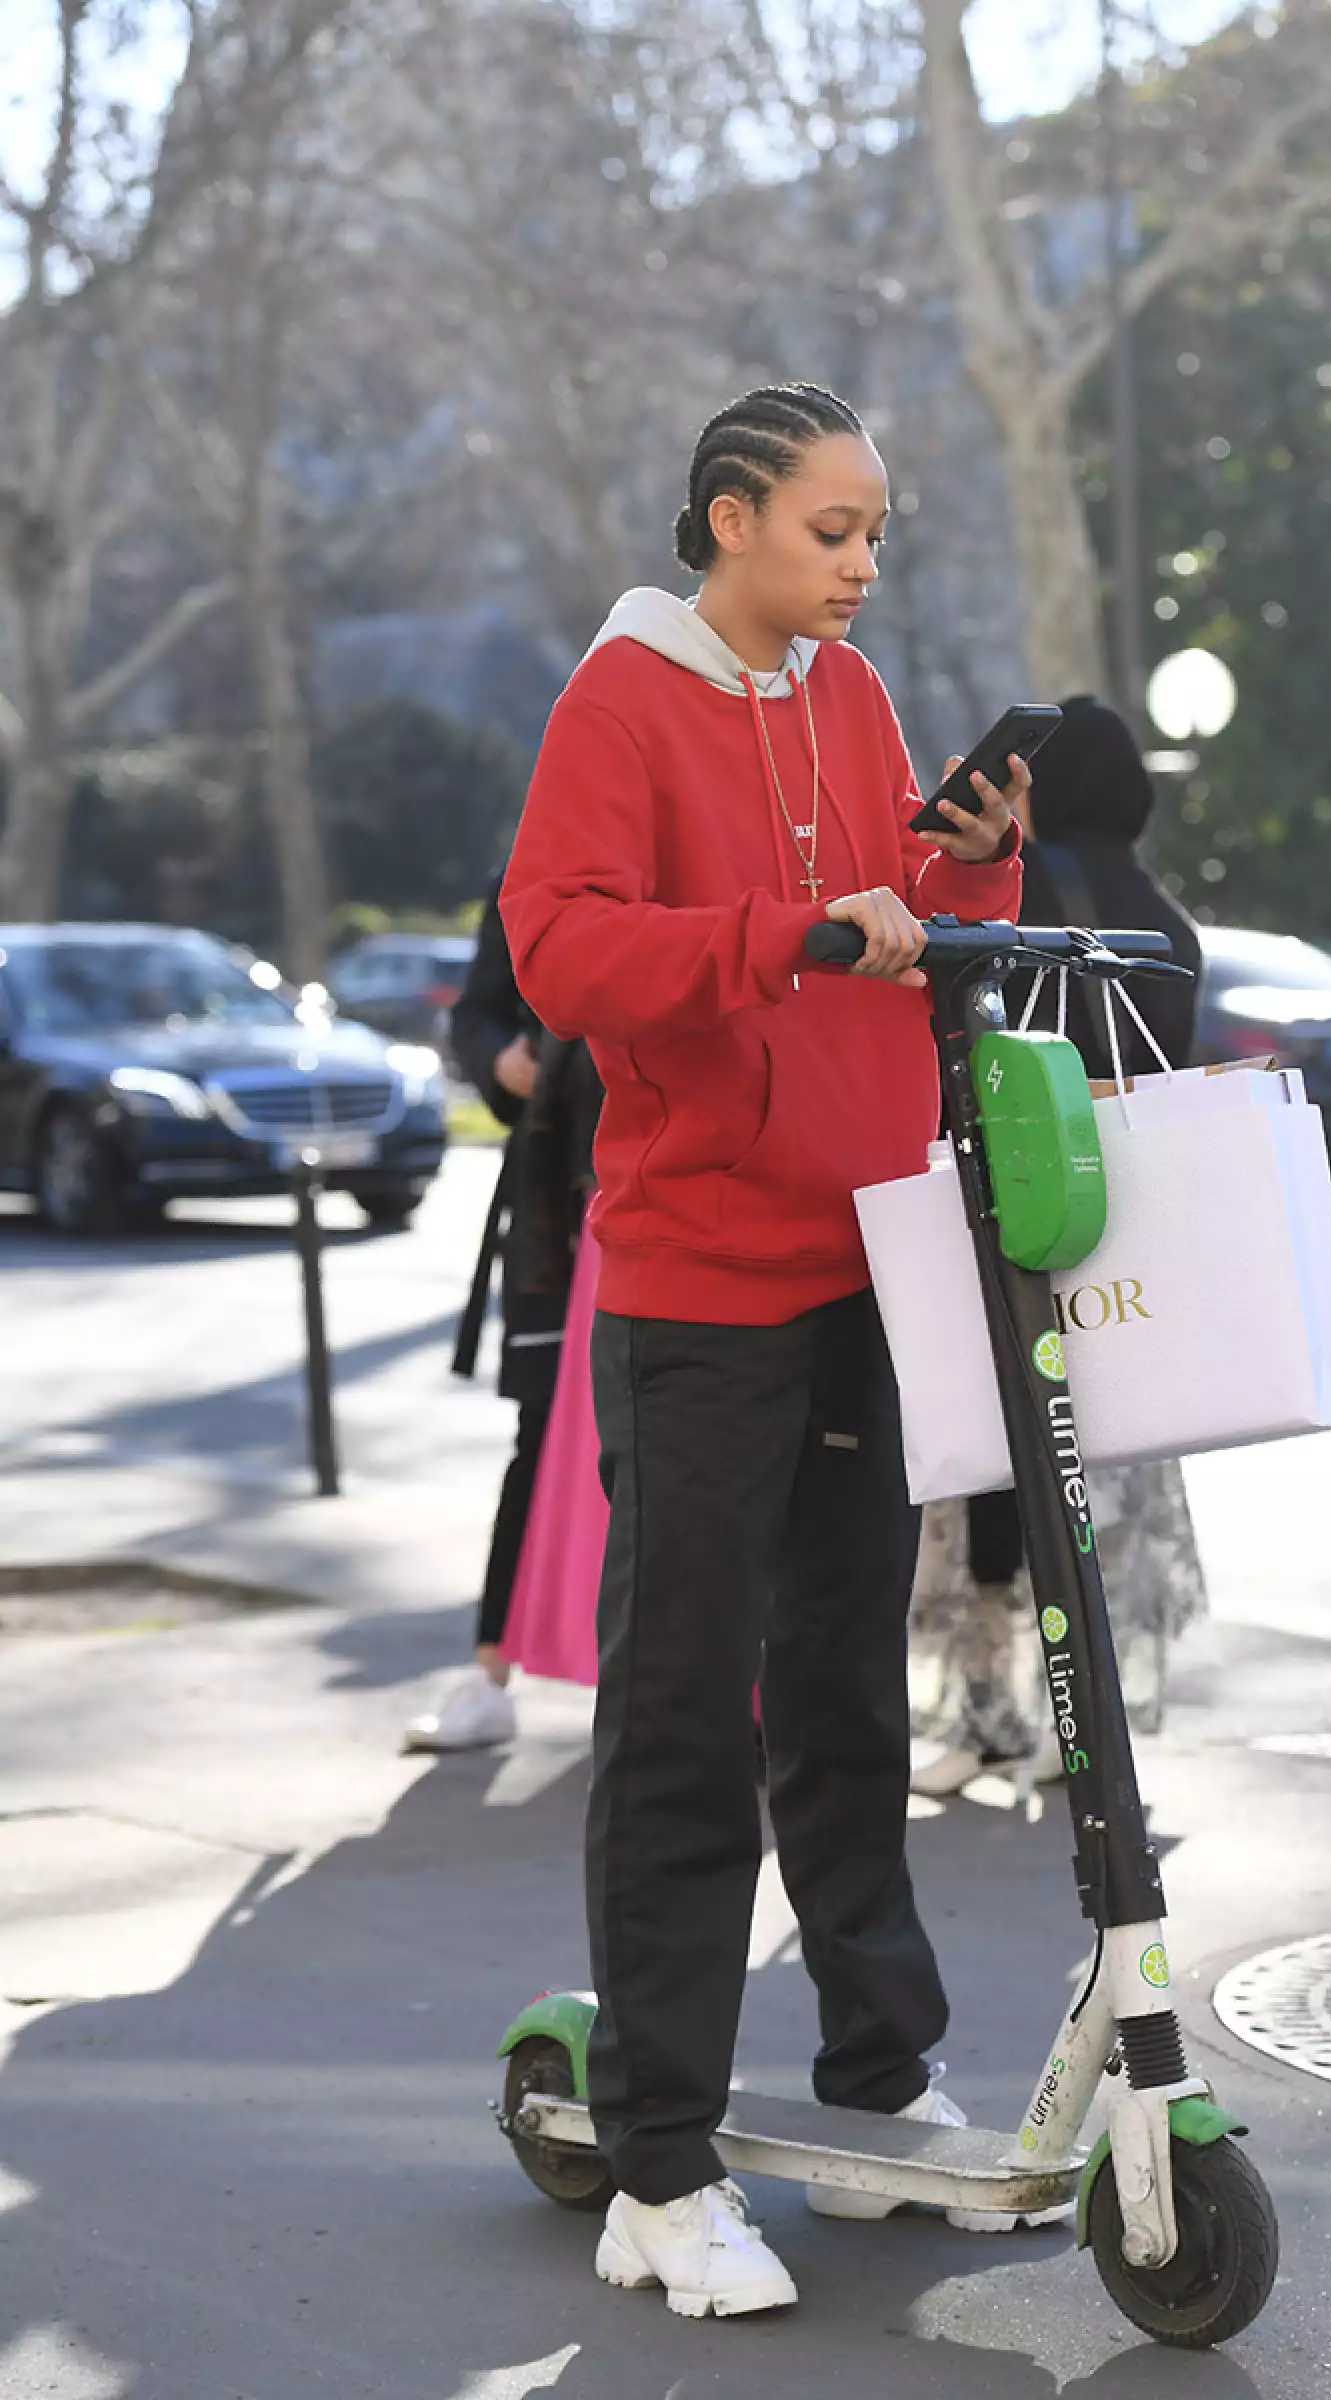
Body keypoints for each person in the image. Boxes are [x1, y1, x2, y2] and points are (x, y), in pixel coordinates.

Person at [499, 383, 1032, 2319]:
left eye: (874, 529)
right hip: (698, 1288)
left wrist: (969, 871)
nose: (861, 561)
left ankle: (879, 2085)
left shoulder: (852, 695)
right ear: (729, 517)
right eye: (831, 528)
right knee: (682, 1725)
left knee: (844, 1698)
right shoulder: (620, 702)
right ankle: (657, 2166)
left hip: (859, 1260)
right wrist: (782, 934)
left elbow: (891, 934)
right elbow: (562, 951)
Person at [908, 695, 1209, 1795]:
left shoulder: (1016, 890)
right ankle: (1087, 1722)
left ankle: (984, 1715)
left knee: (994, 1465)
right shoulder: (1169, 924)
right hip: (1127, 1230)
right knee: (1106, 1467)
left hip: (1012, 1209)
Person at [403, 873, 600, 1752]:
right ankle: (490, 1672)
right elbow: (477, 1011)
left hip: (679, 1184)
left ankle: (741, 1699)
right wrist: (500, 1063)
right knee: (543, 1429)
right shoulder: (532, 871)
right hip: (559, 1201)